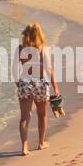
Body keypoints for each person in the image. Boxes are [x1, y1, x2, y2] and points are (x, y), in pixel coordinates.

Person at [14, 22, 62, 156]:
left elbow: (13, 69)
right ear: (40, 34)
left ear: (25, 33)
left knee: (24, 117)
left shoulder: (20, 49)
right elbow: (49, 69)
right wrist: (55, 88)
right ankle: (41, 143)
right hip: (40, 84)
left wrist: (18, 84)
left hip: (25, 83)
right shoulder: (43, 48)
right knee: (42, 114)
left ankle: (24, 147)